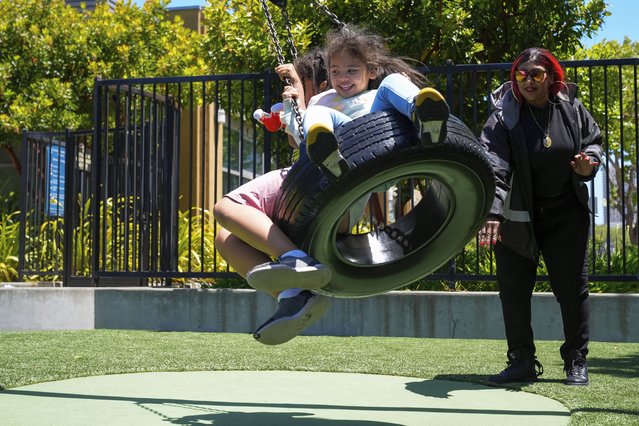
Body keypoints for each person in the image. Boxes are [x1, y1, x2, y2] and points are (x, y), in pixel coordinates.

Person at [478, 47, 602, 386]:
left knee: (571, 290)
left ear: (551, 77)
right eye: (521, 74)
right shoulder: (503, 116)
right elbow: (494, 165)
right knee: (514, 290)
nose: (527, 81)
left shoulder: (572, 108)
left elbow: (594, 142)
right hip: (517, 216)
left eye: (536, 74)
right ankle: (521, 360)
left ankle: (576, 360)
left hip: (566, 213)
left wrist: (588, 163)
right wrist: (492, 213)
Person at [213, 49, 332, 347]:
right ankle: (293, 296)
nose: (292, 92)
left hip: (313, 183)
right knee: (226, 238)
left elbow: (308, 136)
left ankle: (296, 261)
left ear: (319, 85)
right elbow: (296, 136)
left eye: (300, 84)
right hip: (319, 201)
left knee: (226, 207)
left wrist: (298, 95)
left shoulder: (327, 104)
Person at [281, 24, 450, 182]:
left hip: (381, 141)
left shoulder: (378, 96)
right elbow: (299, 134)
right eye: (335, 72)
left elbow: (391, 97)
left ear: (371, 71)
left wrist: (403, 86)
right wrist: (291, 104)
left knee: (393, 80)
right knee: (315, 112)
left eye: (351, 71)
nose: (343, 78)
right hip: (348, 150)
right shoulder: (322, 100)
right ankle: (326, 154)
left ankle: (424, 117)